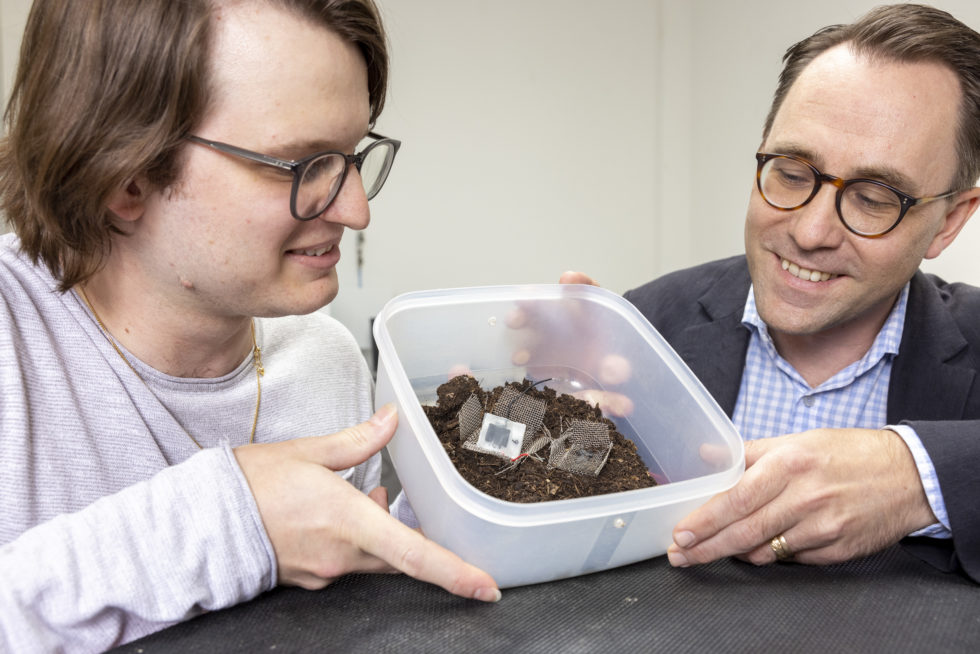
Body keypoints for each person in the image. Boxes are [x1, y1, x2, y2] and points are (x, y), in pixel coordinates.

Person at [0, 0, 499, 650]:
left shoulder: (327, 360)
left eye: (352, 154)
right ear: (123, 177)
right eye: (297, 166)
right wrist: (231, 524)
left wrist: (512, 472)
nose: (354, 211)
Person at [567, 3, 980, 581]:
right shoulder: (644, 324)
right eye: (791, 171)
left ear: (950, 221)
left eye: (875, 197)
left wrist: (918, 475)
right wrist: (545, 405)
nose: (810, 233)